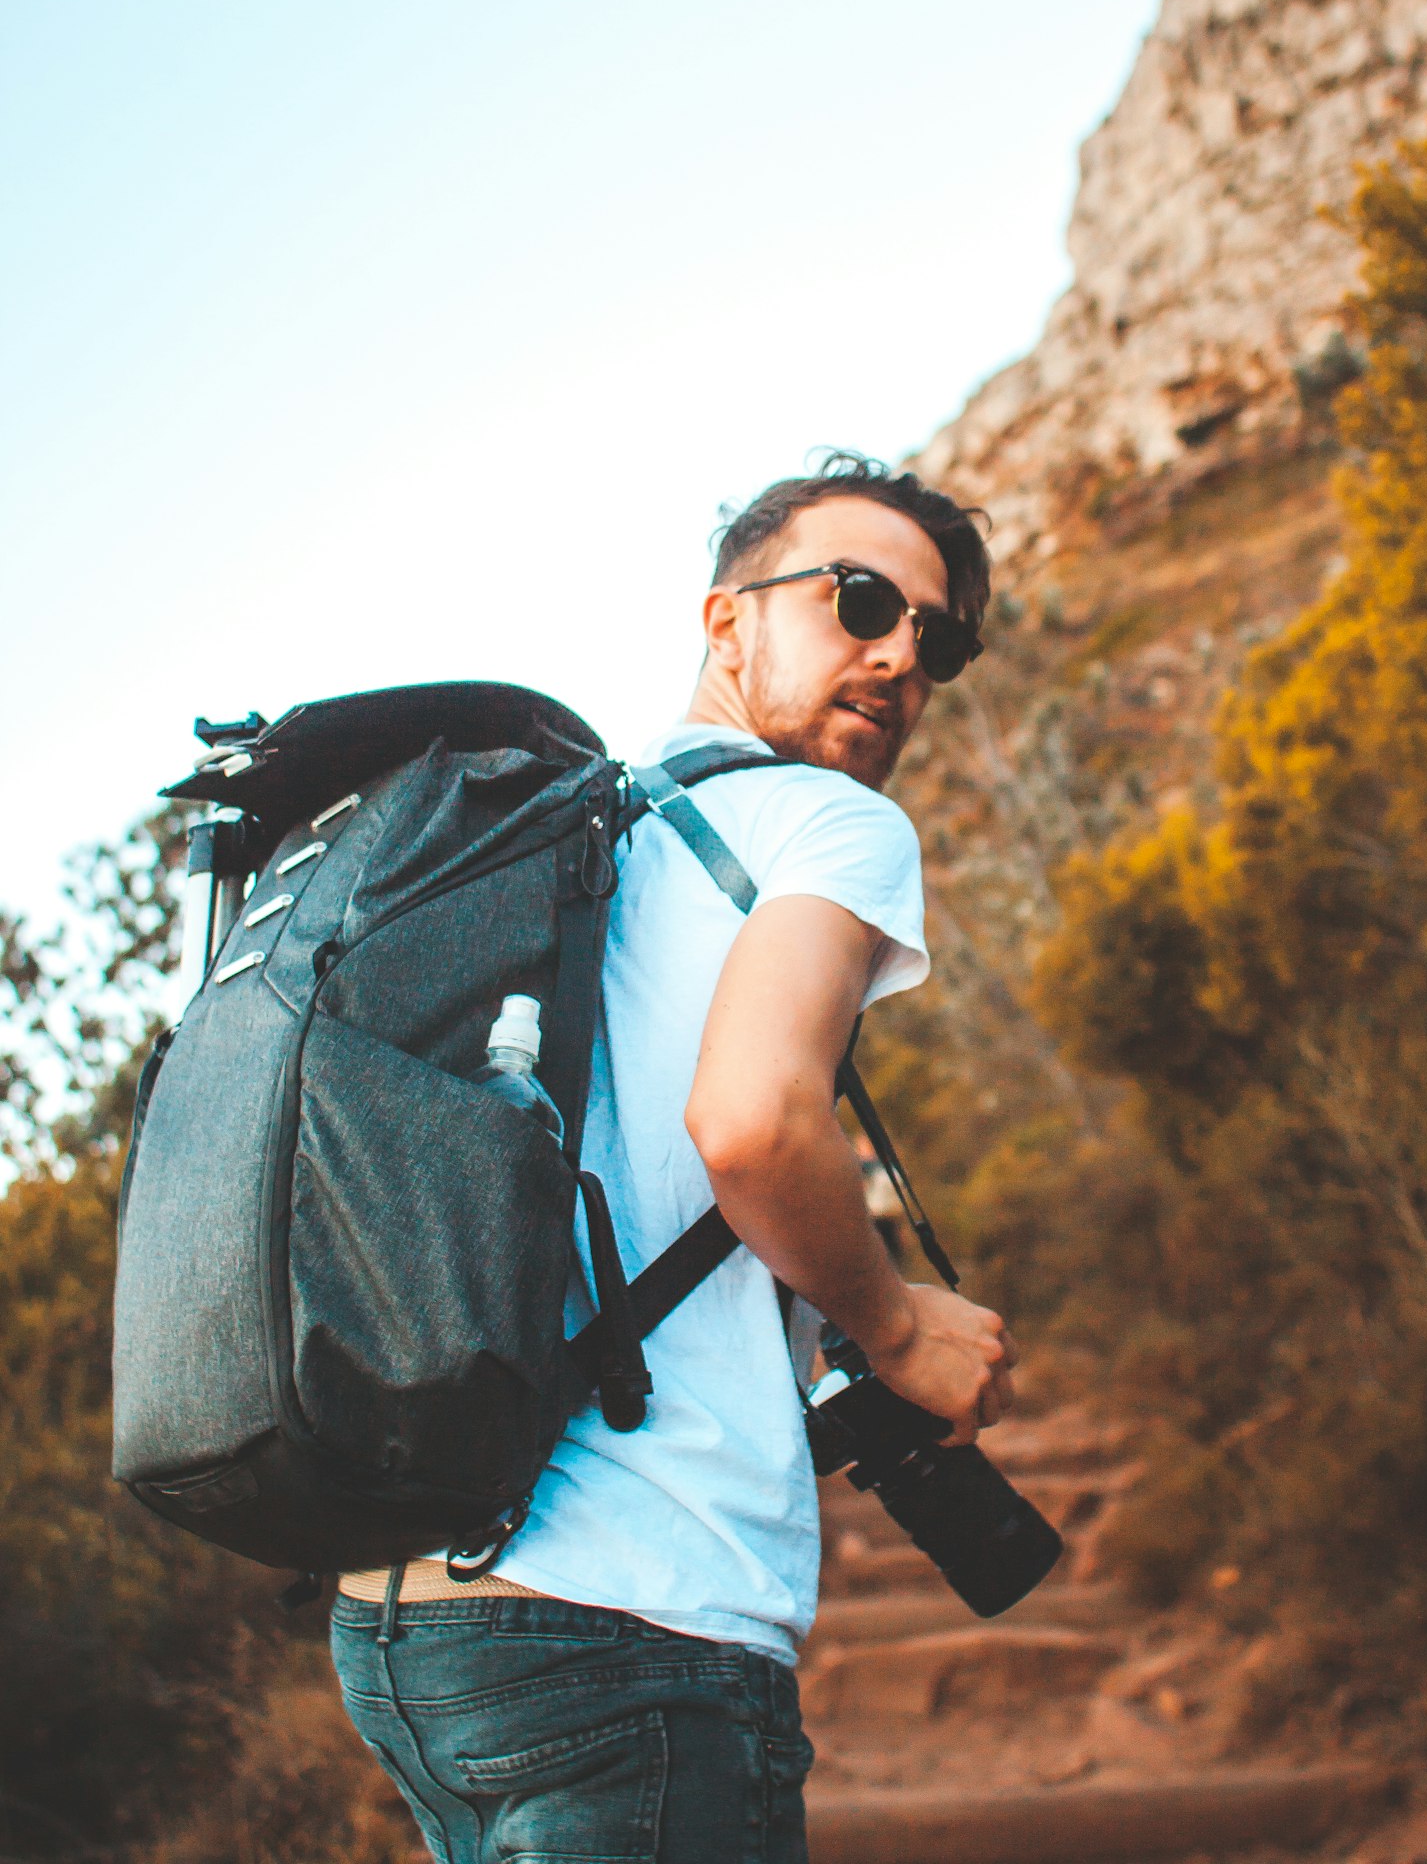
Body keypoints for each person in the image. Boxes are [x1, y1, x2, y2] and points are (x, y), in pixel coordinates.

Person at [329, 451, 1018, 1863]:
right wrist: (895, 1325)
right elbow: (758, 1122)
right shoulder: (831, 823)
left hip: (411, 1626)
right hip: (643, 1611)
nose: (898, 656)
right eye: (862, 601)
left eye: (935, 639)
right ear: (726, 623)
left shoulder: (552, 848)